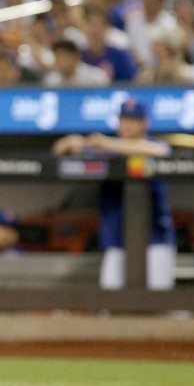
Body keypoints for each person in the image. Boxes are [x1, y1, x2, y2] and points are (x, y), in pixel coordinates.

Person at [52, 98, 176, 291]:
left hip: (155, 238)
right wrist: (74, 143)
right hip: (117, 240)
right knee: (110, 299)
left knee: (161, 300)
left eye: (133, 120)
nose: (127, 125)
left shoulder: (147, 144)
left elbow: (162, 151)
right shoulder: (107, 150)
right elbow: (59, 151)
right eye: (124, 119)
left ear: (145, 123)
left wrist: (107, 143)